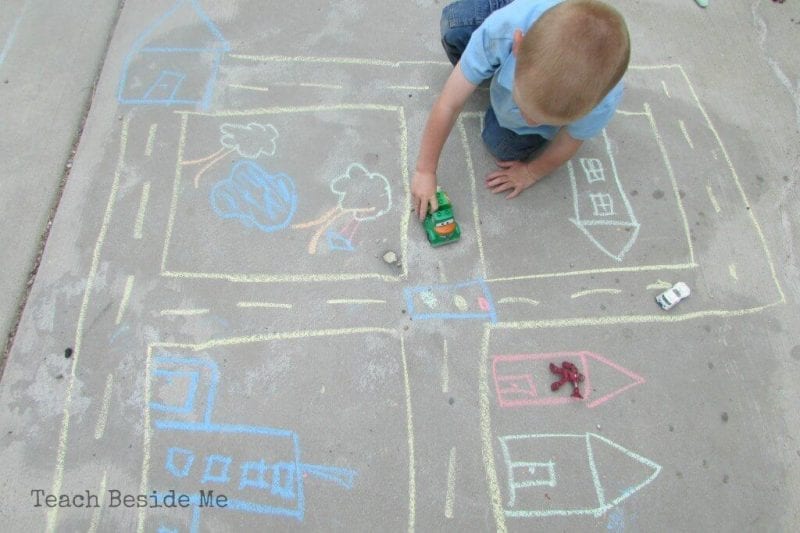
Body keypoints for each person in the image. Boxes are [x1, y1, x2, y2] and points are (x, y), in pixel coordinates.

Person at [411, 0, 630, 219]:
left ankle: (484, 68)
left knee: (502, 146)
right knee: (456, 25)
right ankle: (479, 63)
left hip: (537, 33)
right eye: (523, 107)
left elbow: (570, 141)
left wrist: (531, 172)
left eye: (545, 121)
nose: (530, 122)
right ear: (518, 46)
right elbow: (448, 104)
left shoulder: (602, 100)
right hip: (518, 13)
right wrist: (425, 170)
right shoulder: (503, 31)